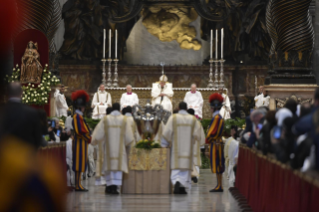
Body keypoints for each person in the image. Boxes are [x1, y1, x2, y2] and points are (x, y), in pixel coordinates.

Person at [92, 103, 135, 195]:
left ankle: (109, 187)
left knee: (109, 167)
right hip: (120, 150)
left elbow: (99, 135)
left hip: (109, 149)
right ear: (119, 109)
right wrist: (128, 145)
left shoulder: (106, 119)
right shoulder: (124, 120)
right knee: (118, 168)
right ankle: (115, 187)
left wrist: (95, 140)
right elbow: (129, 137)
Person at [161, 102, 202, 194]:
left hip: (176, 150)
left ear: (179, 108)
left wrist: (164, 144)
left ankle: (176, 183)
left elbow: (167, 133)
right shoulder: (193, 119)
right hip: (188, 149)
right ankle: (182, 186)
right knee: (185, 169)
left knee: (177, 168)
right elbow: (197, 135)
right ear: (187, 109)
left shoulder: (173, 118)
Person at [0, 82, 42, 149]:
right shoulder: (32, 112)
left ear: (7, 93)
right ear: (21, 93)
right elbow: (37, 139)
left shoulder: (2, 111)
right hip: (25, 155)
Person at [71, 90, 91, 191]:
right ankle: (78, 185)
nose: (84, 109)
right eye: (83, 107)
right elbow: (80, 131)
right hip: (79, 142)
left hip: (82, 143)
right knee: (78, 163)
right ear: (80, 107)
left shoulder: (79, 116)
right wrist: (88, 137)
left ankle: (79, 184)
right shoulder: (77, 116)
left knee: (81, 163)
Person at [206, 93, 225, 192]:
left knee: (218, 164)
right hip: (218, 143)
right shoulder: (219, 117)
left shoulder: (216, 118)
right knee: (219, 164)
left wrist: (207, 138)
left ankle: (219, 185)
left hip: (216, 144)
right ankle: (219, 184)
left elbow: (211, 132)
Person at [187, 108, 205, 183]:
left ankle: (188, 177)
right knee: (196, 161)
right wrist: (202, 146)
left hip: (187, 145)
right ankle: (196, 176)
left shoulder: (185, 122)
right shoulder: (198, 123)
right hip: (195, 146)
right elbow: (202, 136)